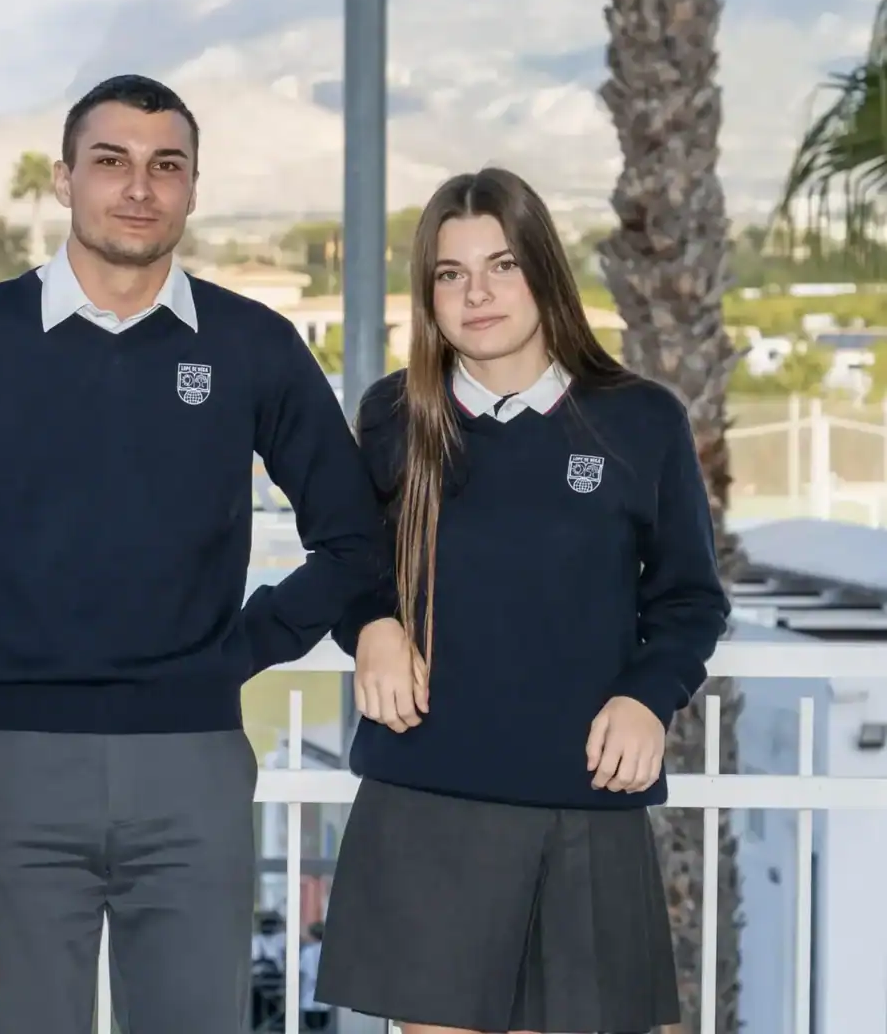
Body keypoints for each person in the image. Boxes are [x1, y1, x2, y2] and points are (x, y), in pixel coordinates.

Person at [0, 74, 386, 1033]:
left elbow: (352, 538)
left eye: (165, 166)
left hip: (194, 765)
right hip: (9, 765)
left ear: (191, 188)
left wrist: (243, 647)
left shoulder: (251, 345)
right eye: (112, 162)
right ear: (64, 180)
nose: (140, 186)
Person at [312, 167, 729, 1034]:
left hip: (583, 797)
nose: (479, 293)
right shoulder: (395, 416)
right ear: (429, 296)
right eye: (451, 274)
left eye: (502, 265)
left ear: (544, 271)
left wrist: (646, 698)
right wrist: (372, 627)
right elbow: (352, 565)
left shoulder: (639, 420)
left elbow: (690, 599)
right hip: (429, 794)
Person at [298, 922, 329, 1031]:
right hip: (325, 998)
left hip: (308, 996)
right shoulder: (329, 950)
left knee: (311, 1027)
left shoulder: (307, 951)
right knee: (322, 1027)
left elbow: (302, 971)